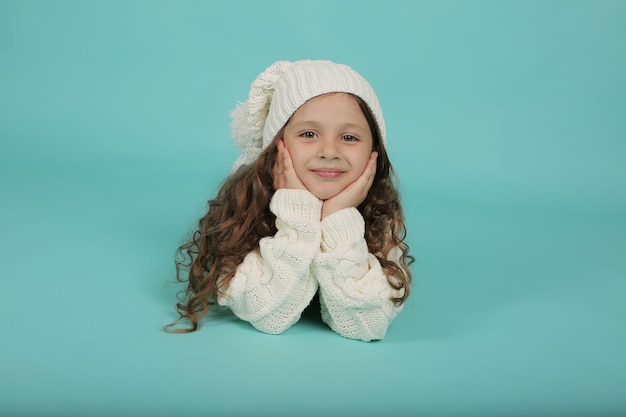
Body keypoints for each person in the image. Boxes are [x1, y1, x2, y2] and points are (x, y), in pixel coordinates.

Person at [166, 60, 413, 341]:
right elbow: (268, 316)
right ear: (277, 144)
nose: (329, 151)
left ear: (374, 150)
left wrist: (339, 217)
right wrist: (297, 214)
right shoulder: (246, 206)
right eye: (309, 134)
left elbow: (367, 325)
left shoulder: (379, 208)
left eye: (349, 137)